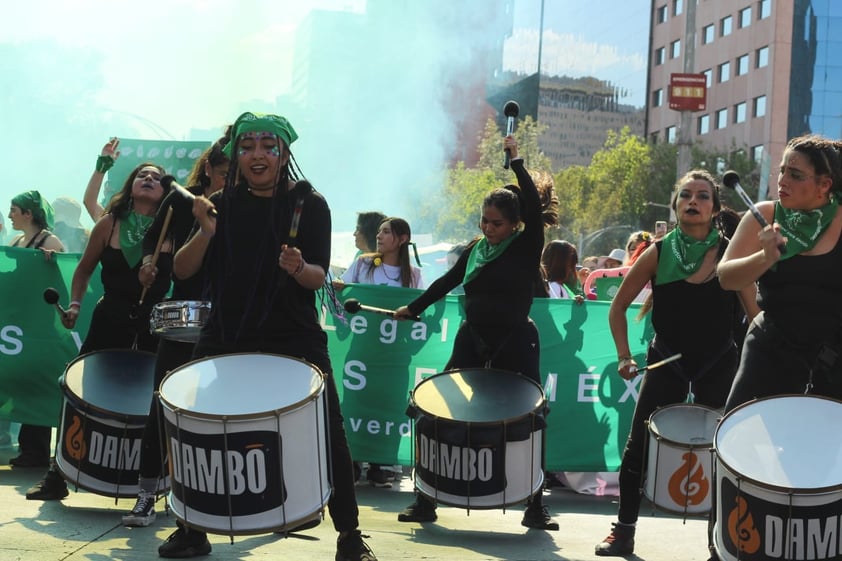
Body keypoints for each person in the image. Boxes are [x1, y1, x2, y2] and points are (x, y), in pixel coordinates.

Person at [172, 112, 377, 561]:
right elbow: (182, 270)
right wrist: (205, 233)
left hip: (293, 334)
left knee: (329, 429)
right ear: (235, 154)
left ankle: (349, 536)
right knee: (197, 425)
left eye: (268, 146)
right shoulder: (219, 204)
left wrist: (299, 268)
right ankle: (191, 528)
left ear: (284, 153)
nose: (257, 155)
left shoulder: (310, 203)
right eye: (247, 147)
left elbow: (318, 275)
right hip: (226, 331)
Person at [392, 134, 559, 531]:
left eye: (496, 223)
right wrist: (412, 308)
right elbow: (446, 282)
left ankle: (535, 506)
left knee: (531, 419)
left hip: (517, 342)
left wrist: (516, 162)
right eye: (483, 220)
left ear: (515, 224)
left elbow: (534, 209)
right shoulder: (474, 250)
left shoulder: (525, 245)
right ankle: (425, 499)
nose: (488, 228)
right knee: (434, 408)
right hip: (472, 338)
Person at [593, 170, 759, 557]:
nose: (693, 201)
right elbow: (618, 309)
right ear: (676, 205)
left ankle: (719, 543)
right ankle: (624, 531)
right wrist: (623, 357)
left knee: (725, 455)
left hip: (720, 365)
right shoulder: (658, 251)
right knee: (636, 448)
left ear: (715, 207)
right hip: (665, 362)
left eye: (702, 196)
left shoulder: (731, 253)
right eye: (685, 195)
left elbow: (755, 318)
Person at [25, 156, 171, 501]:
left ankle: (151, 484)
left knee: (154, 399)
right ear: (132, 185)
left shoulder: (173, 228)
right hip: (111, 319)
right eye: (142, 175)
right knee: (79, 391)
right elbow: (84, 270)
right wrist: (74, 304)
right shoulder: (109, 223)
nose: (148, 178)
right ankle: (57, 475)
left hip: (153, 323)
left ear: (164, 191)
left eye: (156, 177)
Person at [121, 134, 230, 529]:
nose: (227, 181)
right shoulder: (183, 200)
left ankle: (211, 498)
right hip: (184, 308)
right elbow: (153, 237)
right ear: (208, 171)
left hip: (227, 315)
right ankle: (146, 495)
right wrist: (149, 262)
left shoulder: (241, 205)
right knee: (161, 403)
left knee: (219, 409)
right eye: (222, 174)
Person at [718, 134, 842, 408]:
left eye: (796, 175)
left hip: (832, 361)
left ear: (824, 185)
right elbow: (726, 277)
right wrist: (764, 257)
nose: (783, 180)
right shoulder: (765, 214)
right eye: (782, 170)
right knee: (739, 440)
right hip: (768, 354)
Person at [334, 216, 424, 487]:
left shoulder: (416, 275)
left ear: (403, 239)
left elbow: (423, 313)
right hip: (362, 350)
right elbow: (343, 292)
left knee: (391, 406)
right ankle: (352, 460)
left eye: (387, 232)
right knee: (353, 404)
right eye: (380, 231)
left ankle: (381, 464)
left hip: (395, 356)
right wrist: (340, 288)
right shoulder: (363, 264)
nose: (380, 236)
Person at [7, 190, 65, 468]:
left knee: (35, 385)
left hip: (39, 324)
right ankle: (30, 449)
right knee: (21, 384)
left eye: (14, 210)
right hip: (19, 323)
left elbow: (64, 275)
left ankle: (37, 450)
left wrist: (53, 261)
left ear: (28, 214)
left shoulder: (49, 240)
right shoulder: (17, 241)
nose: (9, 215)